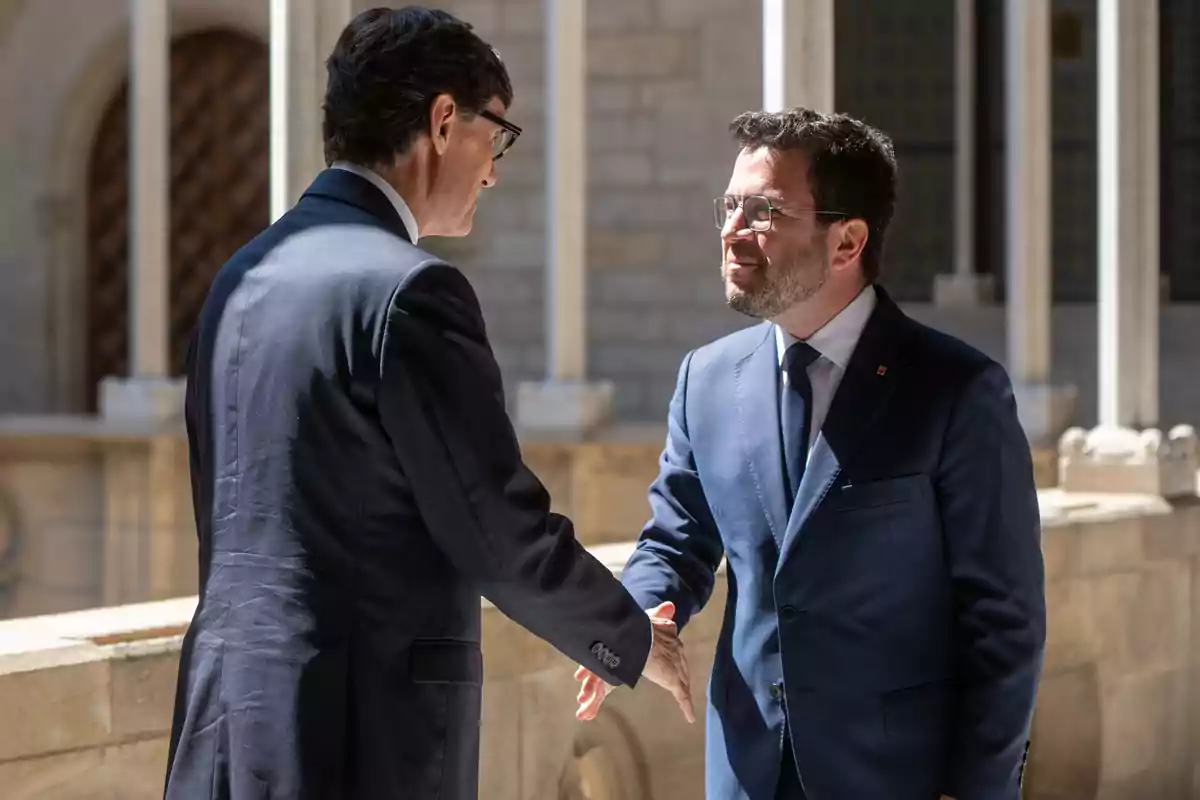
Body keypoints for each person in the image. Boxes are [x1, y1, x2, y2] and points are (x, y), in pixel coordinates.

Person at [162, 7, 692, 800]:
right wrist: (628, 639)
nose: (494, 169)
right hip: (356, 740)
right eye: (498, 135)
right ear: (445, 121)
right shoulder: (412, 292)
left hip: (220, 728)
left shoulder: (238, 277)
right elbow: (495, 527)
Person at [574, 108, 1046, 800]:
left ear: (847, 241)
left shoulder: (957, 392)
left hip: (896, 778)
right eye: (730, 205)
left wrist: (974, 788)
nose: (734, 230)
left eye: (764, 210)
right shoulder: (704, 379)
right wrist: (635, 614)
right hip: (747, 773)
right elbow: (676, 542)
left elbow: (1004, 619)